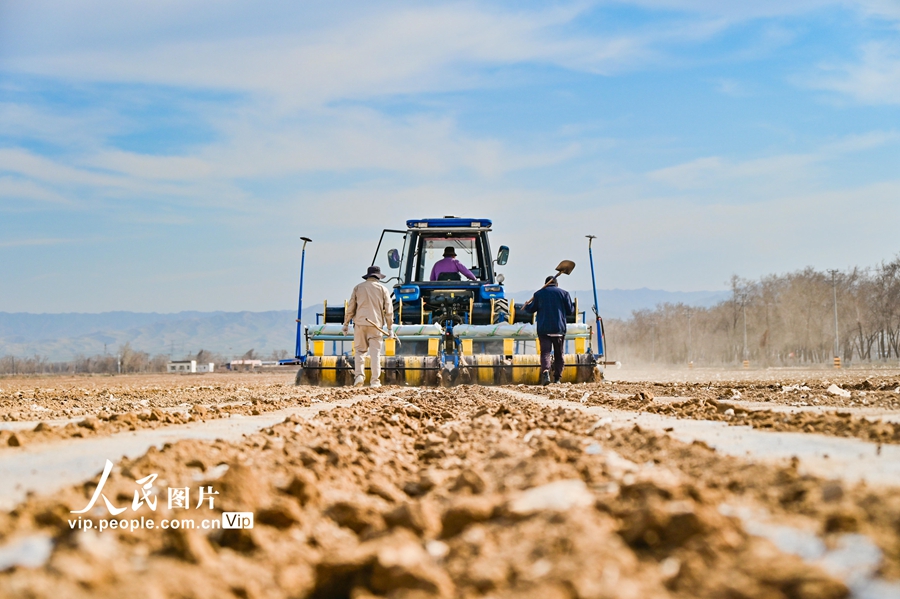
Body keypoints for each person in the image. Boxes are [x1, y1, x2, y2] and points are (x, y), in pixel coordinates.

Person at [343, 266, 394, 387]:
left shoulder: (358, 288)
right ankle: (375, 381)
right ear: (378, 277)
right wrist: (390, 328)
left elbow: (351, 308)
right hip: (376, 325)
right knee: (375, 353)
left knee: (360, 351)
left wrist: (346, 324)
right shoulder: (383, 289)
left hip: (360, 323)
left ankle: (359, 376)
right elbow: (389, 310)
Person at [521, 276, 574, 385]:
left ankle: (545, 372)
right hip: (559, 328)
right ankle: (557, 378)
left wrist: (526, 305)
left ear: (546, 283)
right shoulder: (564, 294)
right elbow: (570, 311)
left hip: (544, 329)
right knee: (559, 354)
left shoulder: (539, 294)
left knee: (545, 352)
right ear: (557, 284)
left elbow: (531, 309)